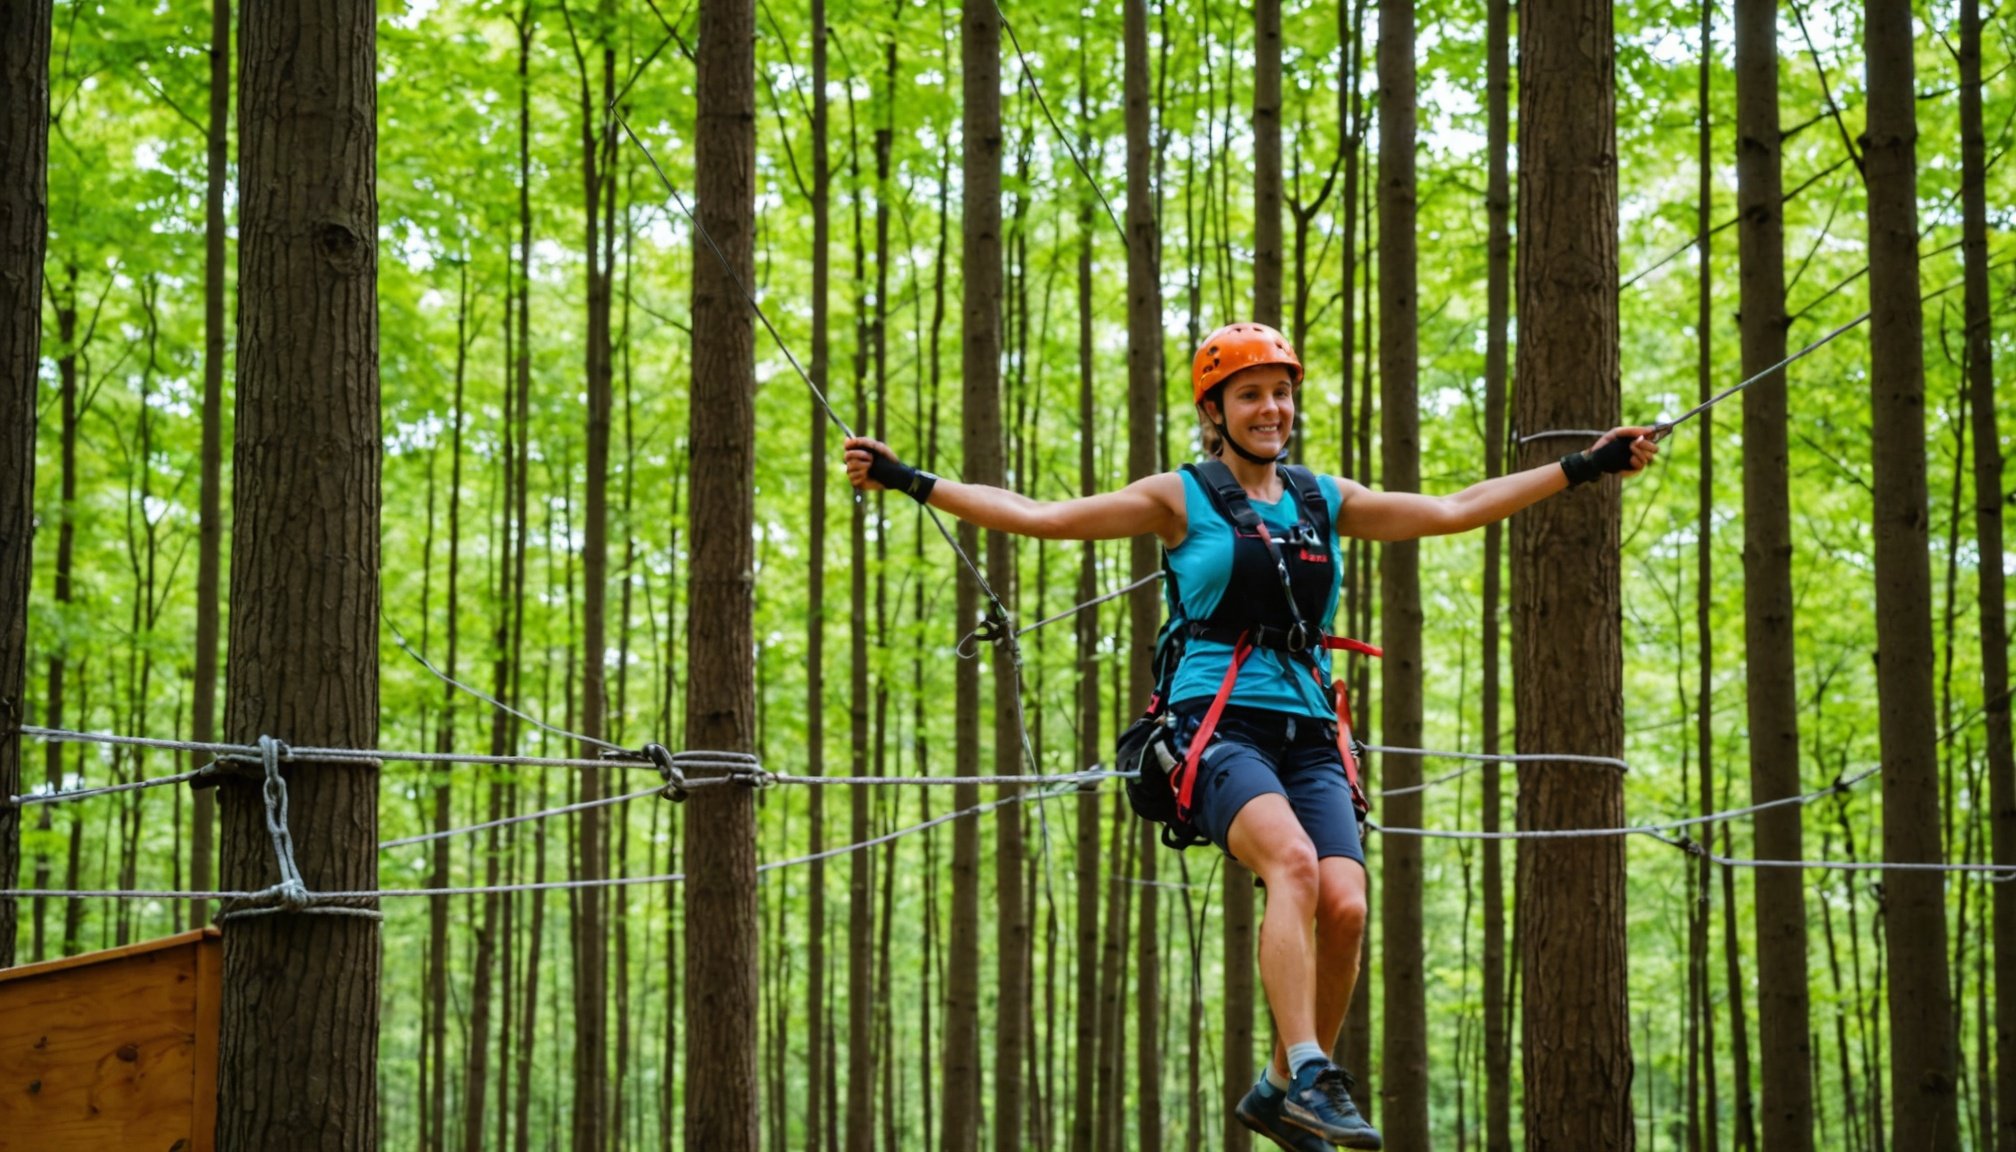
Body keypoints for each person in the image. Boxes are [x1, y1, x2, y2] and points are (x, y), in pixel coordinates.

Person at [844, 321, 1656, 1150]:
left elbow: (1451, 510)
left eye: (1281, 392)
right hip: (1214, 725)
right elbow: (1041, 515)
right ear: (1214, 410)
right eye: (1250, 395)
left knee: (1345, 905)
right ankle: (1311, 1068)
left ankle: (1278, 1089)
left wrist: (1584, 466)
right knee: (1293, 865)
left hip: (1309, 732)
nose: (1272, 409)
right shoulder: (1178, 497)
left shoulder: (1320, 498)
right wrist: (912, 480)